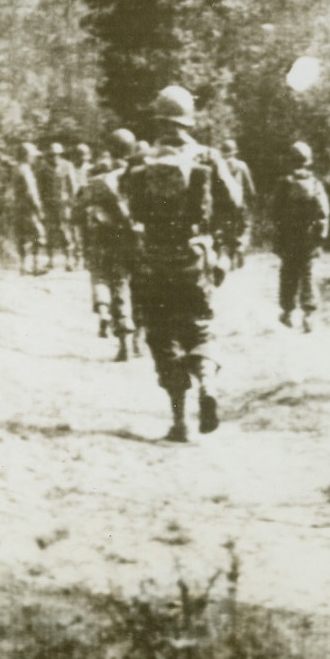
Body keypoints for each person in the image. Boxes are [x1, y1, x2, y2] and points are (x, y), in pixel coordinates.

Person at [122, 85, 243, 442]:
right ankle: (207, 384)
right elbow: (234, 205)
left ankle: (179, 423)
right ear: (189, 120)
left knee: (162, 336)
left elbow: (130, 210)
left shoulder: (140, 162)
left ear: (158, 119)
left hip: (154, 259)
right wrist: (220, 247)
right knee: (200, 328)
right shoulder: (206, 157)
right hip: (195, 257)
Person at [79, 128, 141, 361]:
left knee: (118, 283)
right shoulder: (142, 173)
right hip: (139, 238)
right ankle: (138, 340)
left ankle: (124, 335)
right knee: (139, 285)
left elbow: (77, 211)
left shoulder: (98, 180)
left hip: (108, 238)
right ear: (132, 148)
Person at [270, 141, 330, 333]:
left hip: (288, 235)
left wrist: (277, 235)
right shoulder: (315, 183)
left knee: (288, 273)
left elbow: (274, 211)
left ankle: (287, 312)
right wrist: (320, 237)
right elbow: (323, 212)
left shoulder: (283, 182)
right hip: (308, 236)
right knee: (308, 273)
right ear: (308, 161)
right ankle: (308, 314)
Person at [40, 141, 77, 270]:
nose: (54, 157)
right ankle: (50, 261)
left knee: (66, 231)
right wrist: (42, 204)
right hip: (49, 203)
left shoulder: (67, 166)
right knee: (49, 231)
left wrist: (72, 203)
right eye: (51, 155)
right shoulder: (43, 168)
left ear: (60, 155)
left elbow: (73, 186)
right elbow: (40, 187)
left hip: (63, 204)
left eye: (57, 154)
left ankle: (70, 260)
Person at [220, 138, 256, 268]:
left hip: (224, 204)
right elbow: (250, 187)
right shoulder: (241, 165)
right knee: (245, 227)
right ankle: (241, 247)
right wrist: (251, 199)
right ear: (235, 152)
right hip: (240, 202)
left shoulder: (220, 165)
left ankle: (229, 257)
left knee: (226, 230)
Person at [13, 142, 47, 275]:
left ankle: (23, 266)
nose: (34, 158)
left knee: (22, 236)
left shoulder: (17, 168)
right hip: (28, 208)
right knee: (38, 234)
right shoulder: (26, 170)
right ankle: (35, 265)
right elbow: (31, 192)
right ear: (26, 155)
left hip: (18, 207)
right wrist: (38, 207)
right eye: (32, 155)